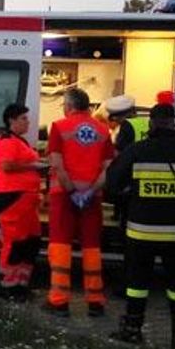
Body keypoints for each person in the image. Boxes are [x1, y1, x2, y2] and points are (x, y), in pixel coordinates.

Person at [106, 103, 175, 349]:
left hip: (140, 230)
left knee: (137, 283)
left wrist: (132, 193)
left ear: (150, 124)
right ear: (174, 124)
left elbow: (112, 184)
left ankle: (132, 329)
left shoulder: (136, 151)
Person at [46, 88, 114, 316]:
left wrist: (72, 191)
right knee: (92, 248)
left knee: (60, 247)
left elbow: (57, 164)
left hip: (63, 197)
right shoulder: (103, 130)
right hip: (92, 199)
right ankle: (95, 301)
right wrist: (89, 192)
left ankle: (59, 301)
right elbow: (107, 170)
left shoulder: (59, 127)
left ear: (69, 105)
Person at [0, 103, 45, 301]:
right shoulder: (6, 140)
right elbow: (7, 165)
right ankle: (8, 287)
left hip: (25, 199)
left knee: (31, 241)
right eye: (24, 119)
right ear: (12, 121)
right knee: (16, 242)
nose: (28, 122)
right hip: (11, 198)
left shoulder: (20, 141)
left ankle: (21, 284)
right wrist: (35, 166)